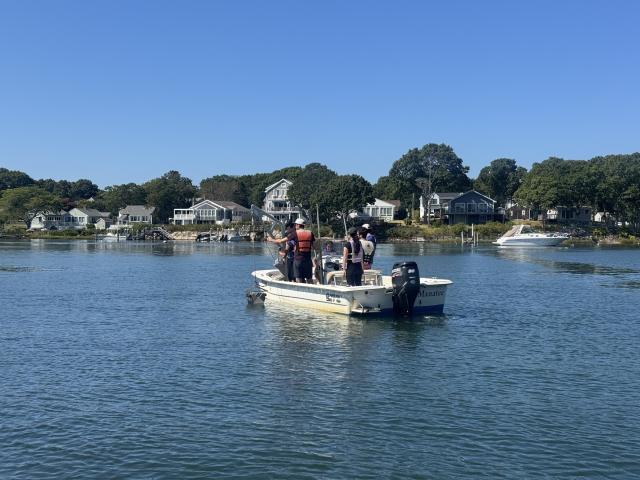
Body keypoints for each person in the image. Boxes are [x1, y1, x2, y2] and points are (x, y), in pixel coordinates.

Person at [267, 217, 316, 283]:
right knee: (309, 278)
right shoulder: (310, 233)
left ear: (298, 225)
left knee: (298, 278)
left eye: (296, 225)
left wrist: (271, 240)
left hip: (298, 260)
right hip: (308, 260)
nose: (295, 226)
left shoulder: (295, 234)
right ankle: (311, 291)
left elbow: (281, 241)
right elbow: (314, 247)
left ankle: (300, 291)